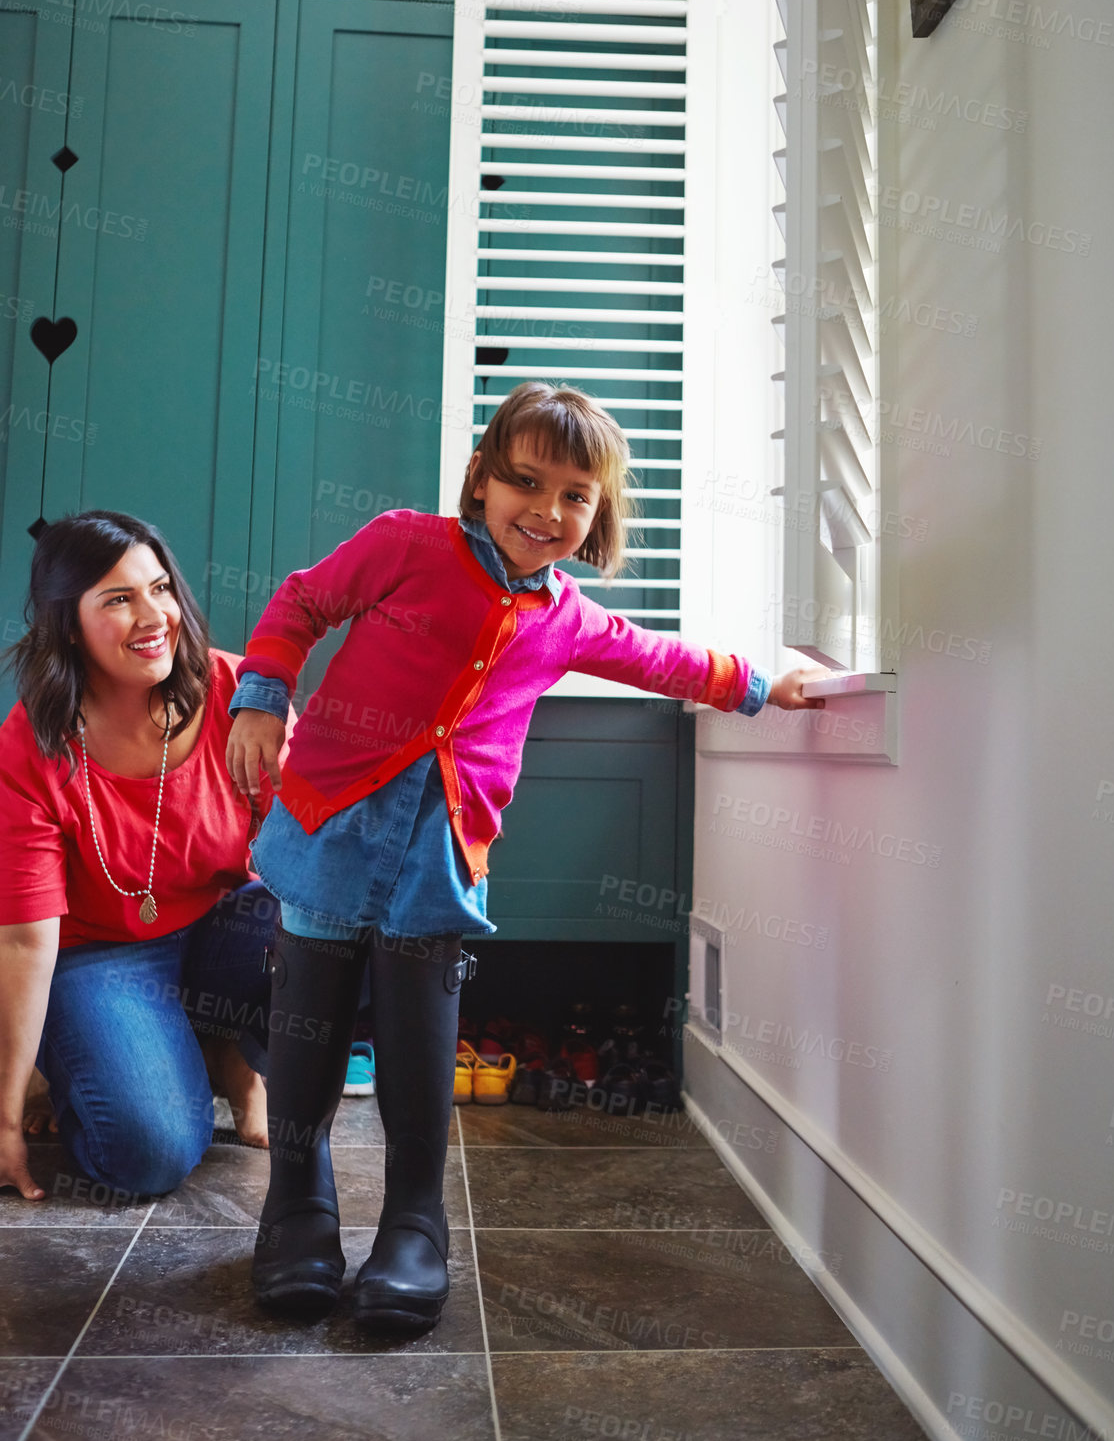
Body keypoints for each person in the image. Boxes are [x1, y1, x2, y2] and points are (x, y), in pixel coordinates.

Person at [227, 381, 828, 1331]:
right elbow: (304, 602)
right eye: (525, 482)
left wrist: (765, 684)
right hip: (331, 823)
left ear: (597, 514)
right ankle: (297, 1207)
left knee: (420, 1043)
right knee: (310, 1024)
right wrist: (261, 695)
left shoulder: (568, 619)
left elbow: (664, 659)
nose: (546, 511)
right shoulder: (404, 545)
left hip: (442, 851)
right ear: (480, 479)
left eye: (575, 495)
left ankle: (415, 1225)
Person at [0, 510, 284, 1206]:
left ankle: (241, 1058)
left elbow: (306, 851)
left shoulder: (240, 695)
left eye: (159, 588)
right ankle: (77, 1061)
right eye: (119, 599)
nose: (153, 616)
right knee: (146, 1156)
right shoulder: (32, 747)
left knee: (344, 894)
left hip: (228, 933)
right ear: (69, 624)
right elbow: (24, 940)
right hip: (100, 956)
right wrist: (4, 1117)